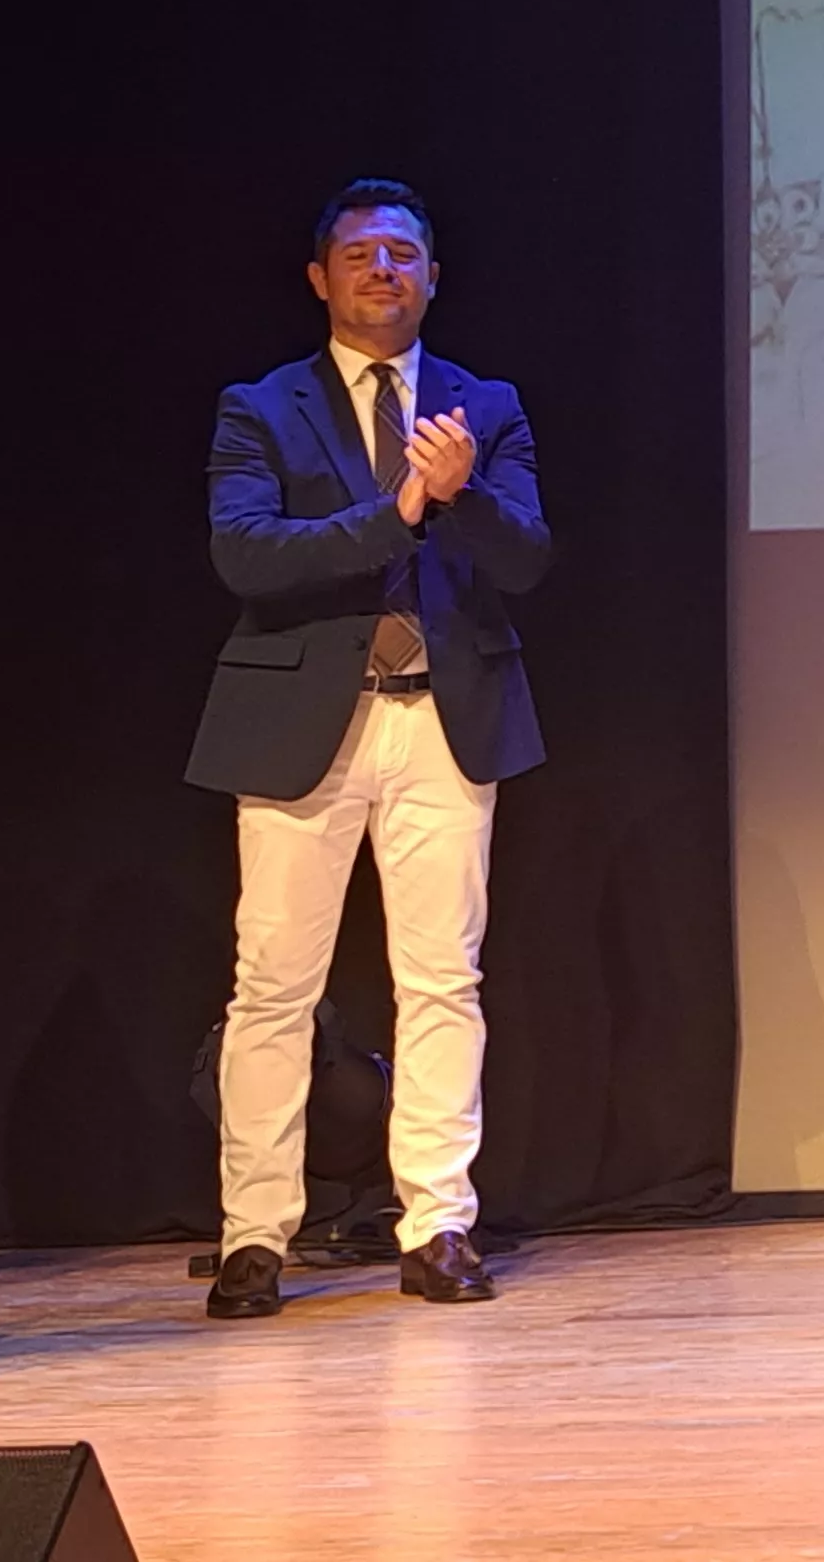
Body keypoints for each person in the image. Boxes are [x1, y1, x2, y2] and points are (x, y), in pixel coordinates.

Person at [194, 180, 551, 1318]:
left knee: (443, 977)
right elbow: (249, 557)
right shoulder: (260, 406)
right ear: (320, 279)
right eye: (360, 254)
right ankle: (255, 1235)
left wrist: (461, 498)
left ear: (434, 277)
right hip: (306, 720)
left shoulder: (482, 405)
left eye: (405, 253)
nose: (383, 269)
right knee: (273, 986)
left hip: (442, 720)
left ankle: (438, 1225)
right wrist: (402, 506)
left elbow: (527, 559)